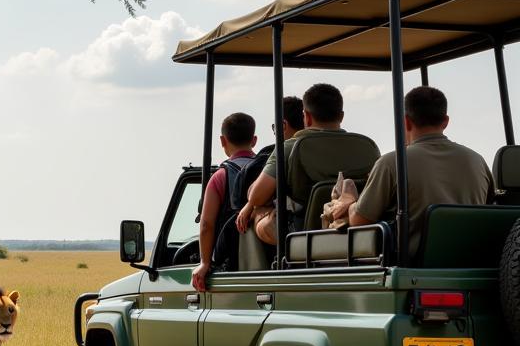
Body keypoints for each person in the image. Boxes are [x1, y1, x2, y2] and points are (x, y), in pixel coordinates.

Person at [333, 85, 494, 260]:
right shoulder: (477, 161)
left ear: (406, 122)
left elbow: (359, 220)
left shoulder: (392, 163)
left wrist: (349, 203)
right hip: (471, 262)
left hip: (413, 264)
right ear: (446, 121)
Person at [236, 83, 345, 245]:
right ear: (341, 116)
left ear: (306, 117)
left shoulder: (289, 147)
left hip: (302, 231)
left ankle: (267, 265)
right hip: (348, 226)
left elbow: (257, 196)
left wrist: (251, 205)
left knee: (257, 212)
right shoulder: (367, 148)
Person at [193, 113, 257, 291]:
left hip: (231, 260)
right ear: (254, 140)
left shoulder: (220, 176)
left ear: (222, 140)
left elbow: (206, 224)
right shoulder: (268, 171)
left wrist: (205, 262)